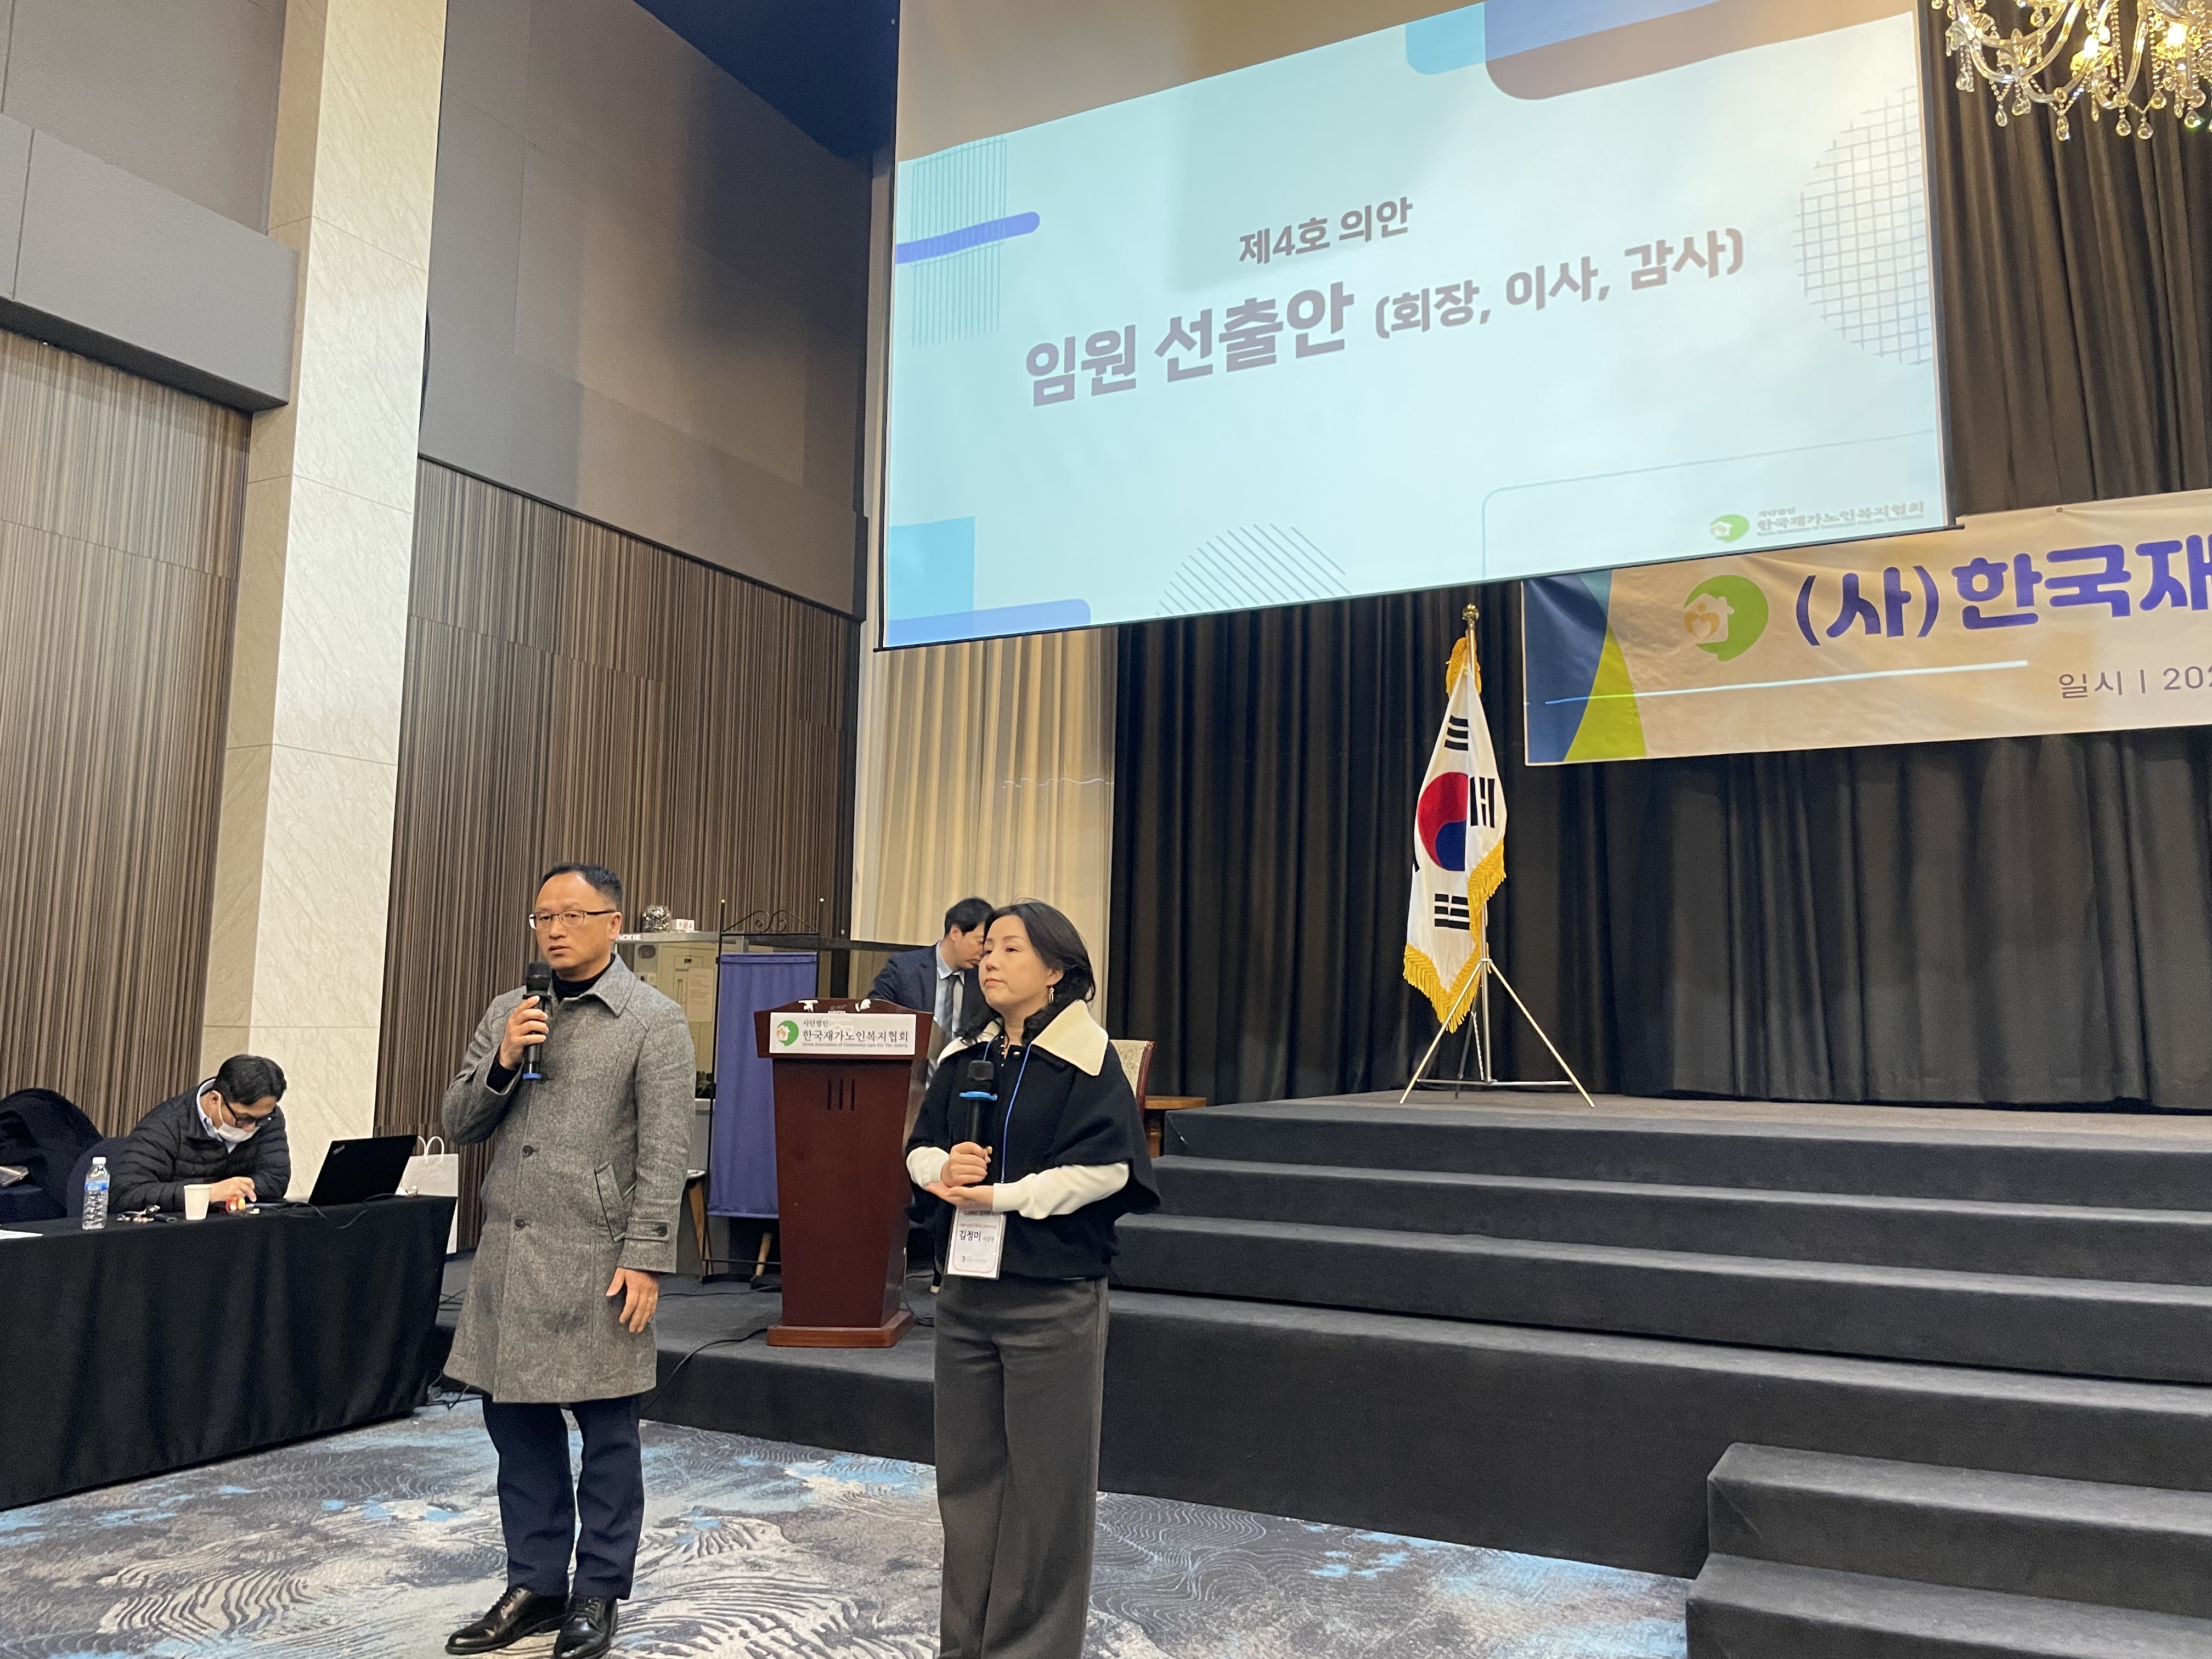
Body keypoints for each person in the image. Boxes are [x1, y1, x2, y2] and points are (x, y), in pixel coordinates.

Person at [440, 863, 692, 1659]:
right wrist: (503, 1060)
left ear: (613, 924)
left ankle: (598, 1592)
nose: (554, 930)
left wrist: (647, 1256)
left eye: (572, 915)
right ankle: (537, 1583)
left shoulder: (652, 1020)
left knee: (608, 1432)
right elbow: (459, 1121)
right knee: (516, 1427)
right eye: (543, 917)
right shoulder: (508, 1011)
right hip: (511, 1253)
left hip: (598, 1257)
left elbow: (666, 1152)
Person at [905, 901, 1160, 1659]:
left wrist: (1004, 1197)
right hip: (966, 1295)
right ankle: (966, 1644)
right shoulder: (965, 1055)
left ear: (1056, 969)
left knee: (1047, 1493)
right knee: (967, 1485)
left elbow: (1107, 1171)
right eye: (987, 948)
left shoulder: (1087, 1058)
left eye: (1011, 948)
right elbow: (919, 1148)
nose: (991, 960)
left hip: (1051, 1298)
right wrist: (944, 1169)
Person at [110, 1055, 291, 1214]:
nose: (251, 1128)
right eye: (243, 1119)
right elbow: (126, 1194)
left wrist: (231, 1192)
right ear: (215, 1099)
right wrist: (208, 1192)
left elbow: (276, 1180)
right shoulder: (166, 1124)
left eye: (261, 1120)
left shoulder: (269, 1118)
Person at [870, 897, 991, 1062]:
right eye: (980, 942)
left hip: (961, 1072)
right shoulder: (903, 969)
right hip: (911, 1071)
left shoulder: (982, 977)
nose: (984, 952)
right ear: (955, 933)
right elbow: (875, 1016)